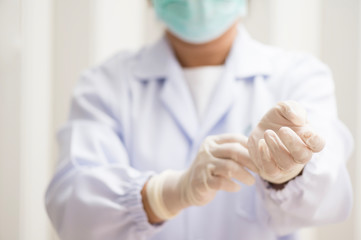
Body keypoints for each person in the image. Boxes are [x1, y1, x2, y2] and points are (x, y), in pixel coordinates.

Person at [45, 0, 353, 239]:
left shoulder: (298, 76)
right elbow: (72, 210)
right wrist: (165, 193)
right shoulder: (104, 84)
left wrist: (287, 172)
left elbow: (327, 199)